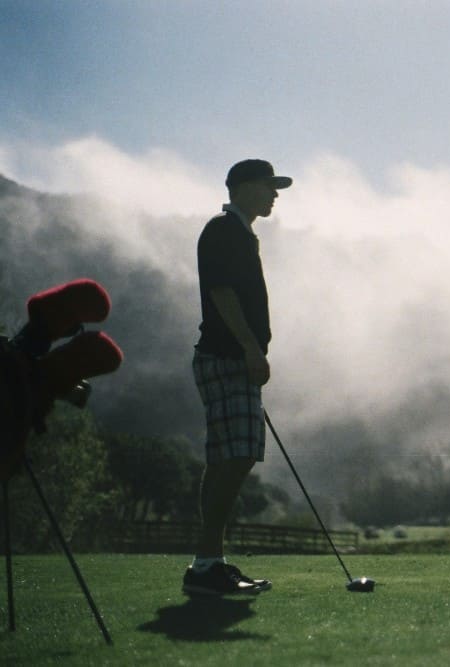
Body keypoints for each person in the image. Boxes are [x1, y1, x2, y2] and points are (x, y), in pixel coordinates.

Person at [182, 159, 291, 596]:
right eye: (268, 185)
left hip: (226, 356)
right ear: (244, 187)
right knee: (238, 455)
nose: (275, 194)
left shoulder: (239, 233)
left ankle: (208, 563)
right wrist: (250, 348)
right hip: (227, 356)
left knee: (225, 457)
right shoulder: (224, 230)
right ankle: (206, 563)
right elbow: (222, 292)